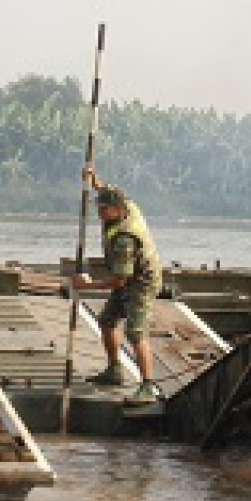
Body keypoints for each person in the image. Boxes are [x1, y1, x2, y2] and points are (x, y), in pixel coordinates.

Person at [74, 167, 163, 404]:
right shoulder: (128, 206)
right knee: (107, 320)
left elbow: (118, 281)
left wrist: (88, 285)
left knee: (135, 332)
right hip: (127, 278)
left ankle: (148, 385)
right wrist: (94, 181)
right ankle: (114, 370)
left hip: (141, 282)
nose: (100, 212)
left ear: (118, 209)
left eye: (104, 209)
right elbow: (107, 190)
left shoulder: (125, 239)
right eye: (99, 208)